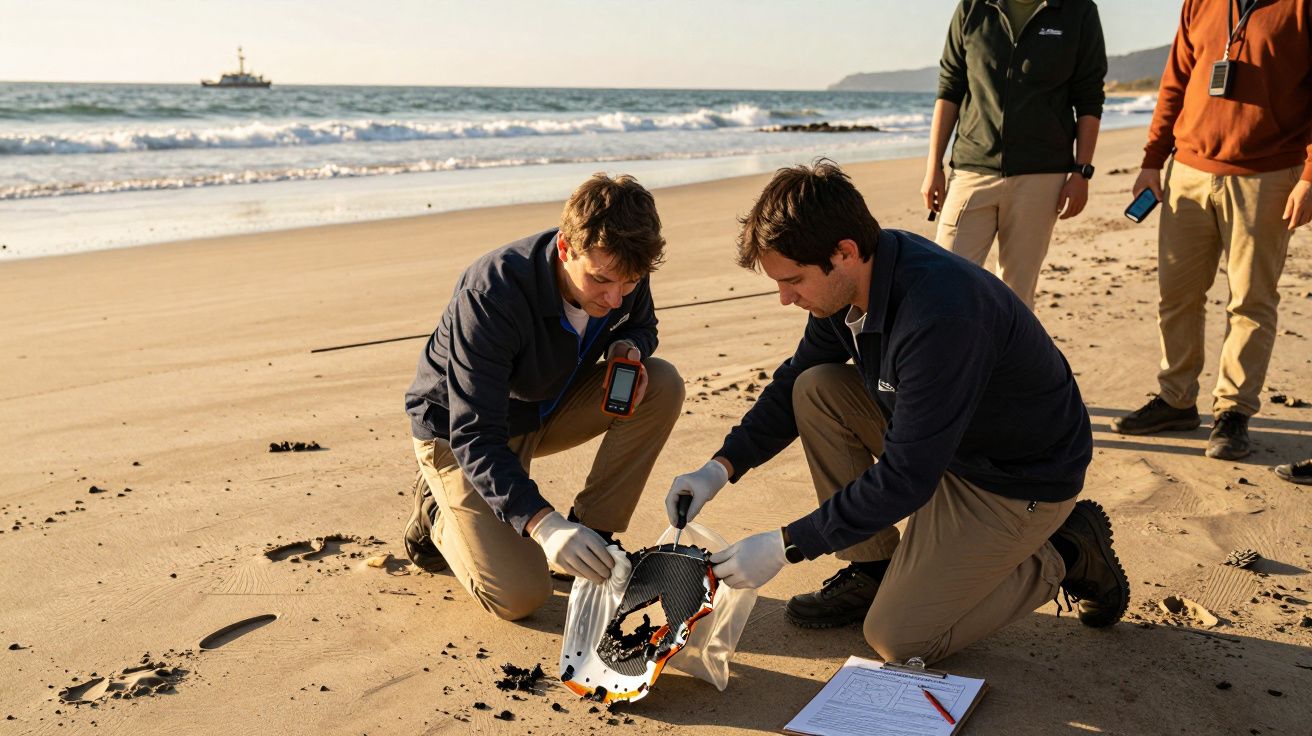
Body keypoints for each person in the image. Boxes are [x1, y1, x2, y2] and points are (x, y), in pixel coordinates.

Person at [666, 161, 1129, 665]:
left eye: (794, 280)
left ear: (842, 253)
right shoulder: (852, 283)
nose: (785, 298)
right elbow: (791, 382)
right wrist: (719, 468)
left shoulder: (940, 314)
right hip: (946, 444)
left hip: (1016, 481)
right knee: (815, 387)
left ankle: (1065, 550)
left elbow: (908, 477)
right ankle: (875, 568)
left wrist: (786, 546)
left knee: (899, 639)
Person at [402, 173, 685, 621]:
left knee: (662, 382)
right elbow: (476, 435)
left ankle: (594, 535)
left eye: (628, 284)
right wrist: (546, 525)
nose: (614, 298)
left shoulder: (626, 266)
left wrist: (625, 349)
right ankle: (436, 513)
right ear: (565, 248)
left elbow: (640, 324)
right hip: (458, 435)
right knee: (519, 598)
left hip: (543, 406)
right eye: (601, 281)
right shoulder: (491, 295)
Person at [1111, 0, 1312, 459]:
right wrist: (1150, 160)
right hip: (1188, 169)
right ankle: (1175, 400)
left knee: (1251, 300)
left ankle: (1233, 413)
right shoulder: (1199, 2)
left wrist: (1309, 176)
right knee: (1177, 294)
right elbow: (1175, 81)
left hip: (1267, 175)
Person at [922, 0, 1107, 309]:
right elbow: (950, 87)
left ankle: (1008, 358)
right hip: (972, 169)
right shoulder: (973, 7)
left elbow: (1088, 98)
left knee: (1016, 297)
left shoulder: (1078, 11)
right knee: (945, 283)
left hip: (1040, 176)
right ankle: (955, 357)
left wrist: (1081, 171)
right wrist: (933, 167)